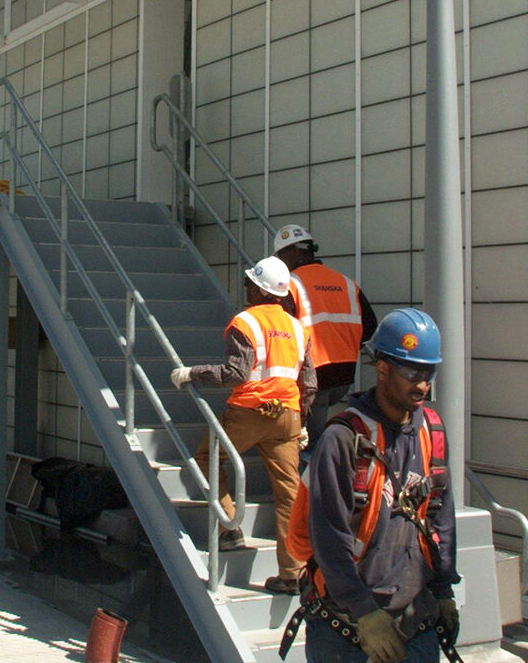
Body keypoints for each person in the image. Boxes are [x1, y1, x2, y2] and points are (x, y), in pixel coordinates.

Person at [284, 308, 459, 663]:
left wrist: (442, 590)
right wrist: (364, 611)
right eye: (412, 373)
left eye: (428, 373)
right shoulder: (343, 438)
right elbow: (329, 536)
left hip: (415, 623)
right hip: (347, 630)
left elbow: (441, 518)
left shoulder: (432, 432)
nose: (422, 384)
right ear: (382, 370)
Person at [170, 255, 316, 595]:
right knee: (289, 495)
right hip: (288, 416)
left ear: (261, 290)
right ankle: (292, 574)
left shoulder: (245, 323)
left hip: (249, 412)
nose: (246, 286)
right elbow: (309, 383)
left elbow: (236, 372)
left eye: (251, 282)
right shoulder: (298, 328)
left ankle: (230, 525)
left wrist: (193, 373)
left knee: (207, 457)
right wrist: (302, 422)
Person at [273, 224, 378, 443]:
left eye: (281, 255)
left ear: (294, 252)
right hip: (344, 375)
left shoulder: (290, 285)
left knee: (308, 442)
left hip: (312, 377)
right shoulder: (346, 283)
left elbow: (282, 331)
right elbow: (370, 325)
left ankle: (311, 473)